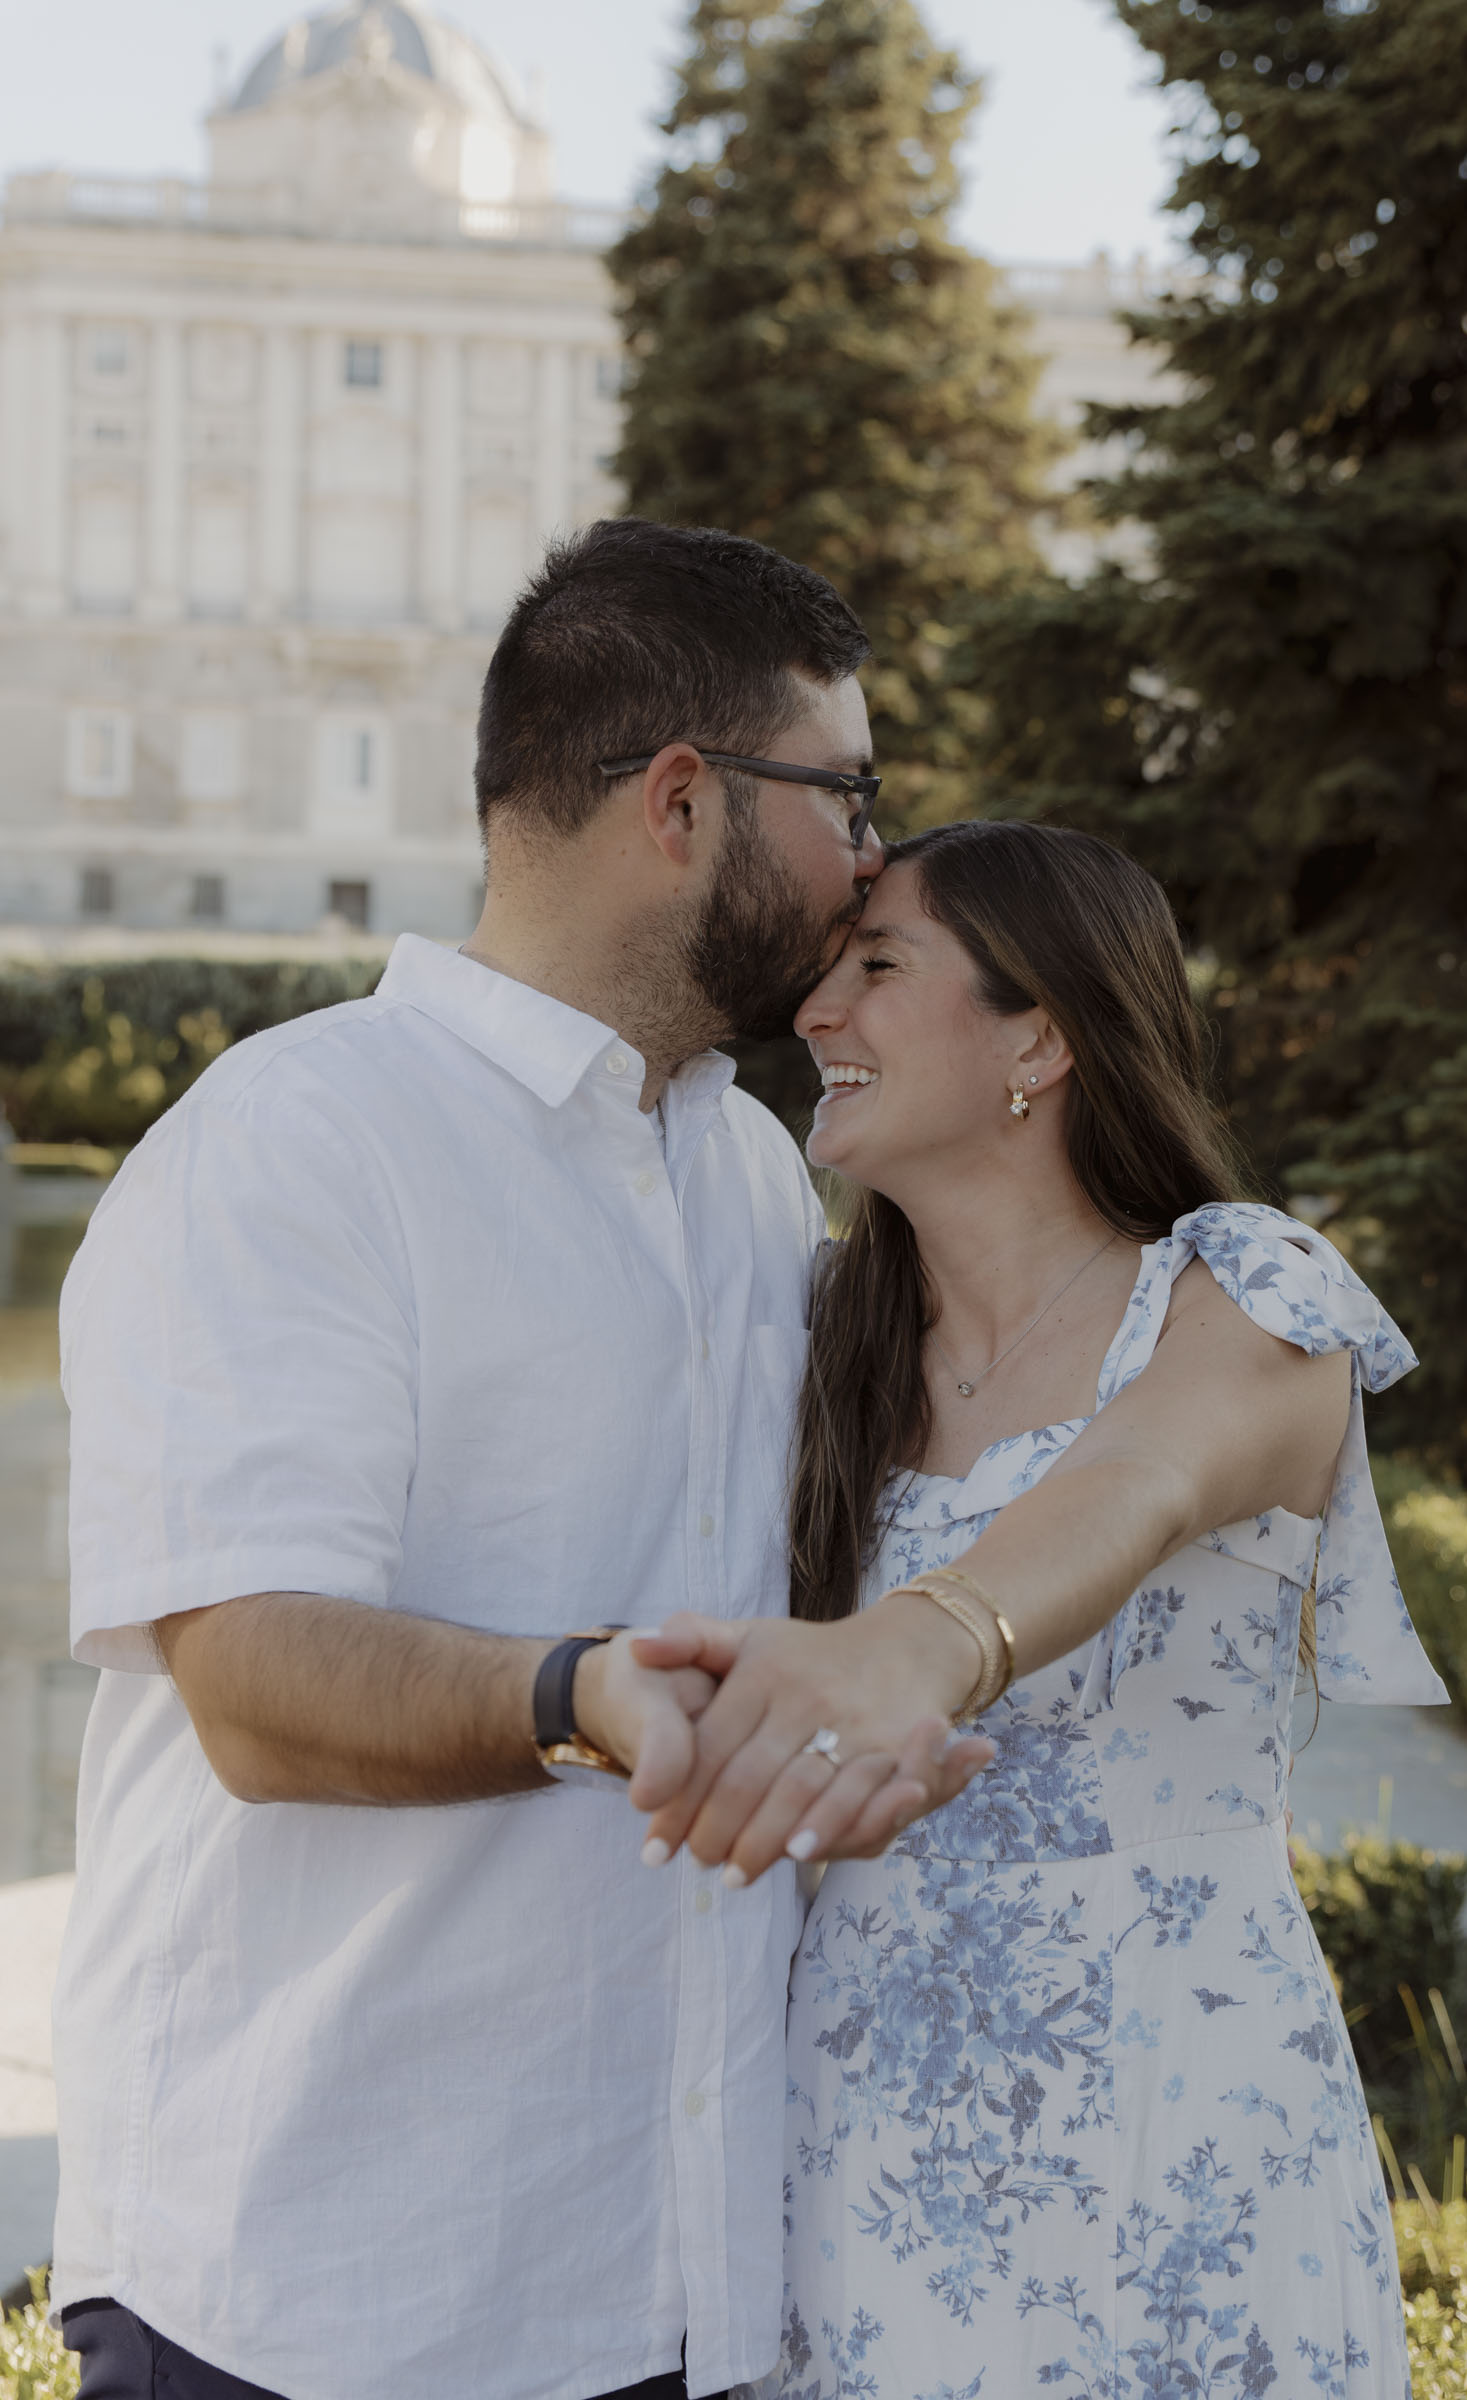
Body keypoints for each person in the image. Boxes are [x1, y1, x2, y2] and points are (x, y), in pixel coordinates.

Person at [49, 520, 991, 2400]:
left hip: (674, 2286)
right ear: (681, 801)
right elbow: (250, 1683)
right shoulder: (293, 1147)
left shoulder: (744, 1166)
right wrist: (582, 1697)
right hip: (320, 2295)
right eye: (847, 793)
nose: (872, 855)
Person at [633, 821, 1448, 2400]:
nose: (816, 1014)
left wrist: (923, 1644)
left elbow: (1138, 1480)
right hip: (853, 2130)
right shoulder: (813, 1350)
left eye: (877, 969)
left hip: (1176, 2112)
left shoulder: (1245, 1297)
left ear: (1044, 1036)